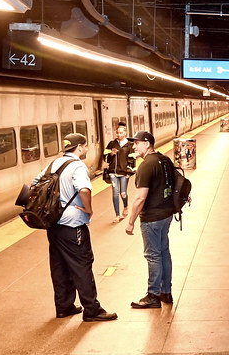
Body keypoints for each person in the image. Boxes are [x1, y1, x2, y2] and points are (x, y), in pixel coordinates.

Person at [34, 133, 118, 322]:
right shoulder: (78, 166)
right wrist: (88, 209)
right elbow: (84, 189)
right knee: (82, 265)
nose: (86, 149)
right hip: (73, 225)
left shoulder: (53, 164)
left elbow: (34, 184)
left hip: (54, 224)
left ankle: (64, 306)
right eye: (86, 146)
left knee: (59, 266)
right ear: (79, 147)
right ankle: (92, 310)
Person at [124, 130, 176, 308]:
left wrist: (130, 221)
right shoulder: (164, 159)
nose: (134, 146)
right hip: (166, 214)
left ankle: (153, 295)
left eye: (136, 143)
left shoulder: (146, 165)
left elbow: (140, 198)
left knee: (153, 255)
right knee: (163, 253)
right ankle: (165, 292)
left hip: (152, 218)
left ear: (147, 144)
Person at [104, 123, 135, 222]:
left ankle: (125, 206)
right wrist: (111, 154)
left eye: (121, 133)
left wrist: (129, 172)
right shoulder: (112, 144)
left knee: (123, 193)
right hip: (113, 172)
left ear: (125, 133)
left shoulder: (129, 145)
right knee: (115, 193)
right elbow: (105, 158)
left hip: (124, 173)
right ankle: (117, 215)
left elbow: (132, 159)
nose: (119, 135)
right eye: (117, 133)